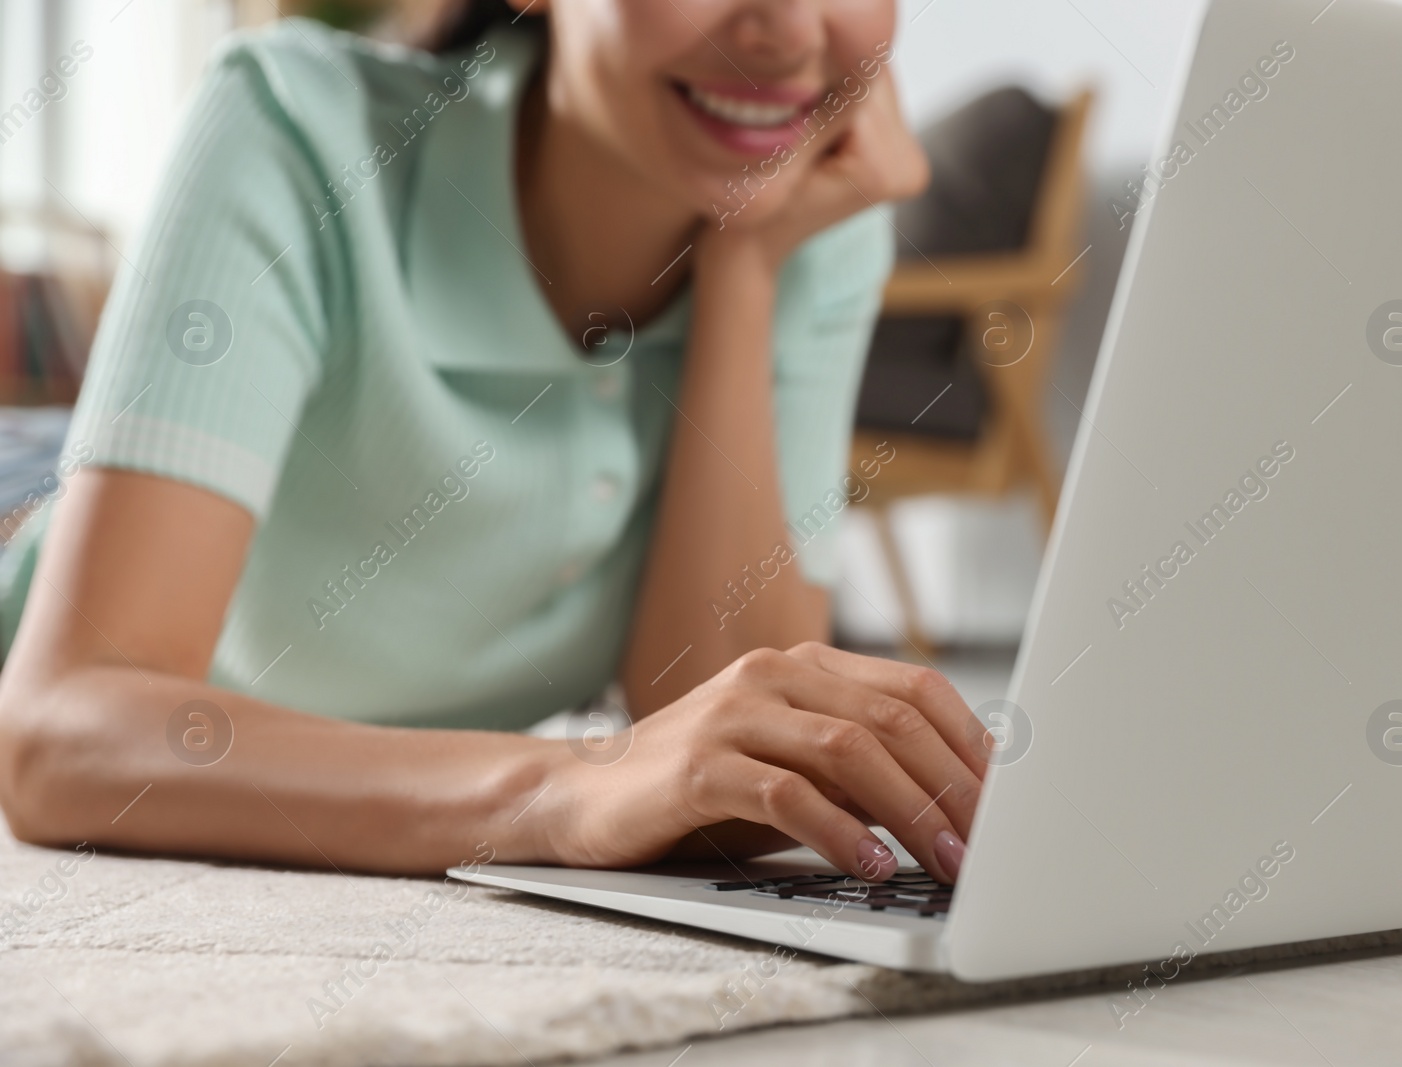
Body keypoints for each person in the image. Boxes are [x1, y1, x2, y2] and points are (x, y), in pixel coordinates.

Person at [0, 0, 985, 887]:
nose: (789, 29)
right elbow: (57, 733)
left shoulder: (813, 219)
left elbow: (723, 737)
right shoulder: (292, 122)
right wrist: (557, 790)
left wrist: (743, 262)